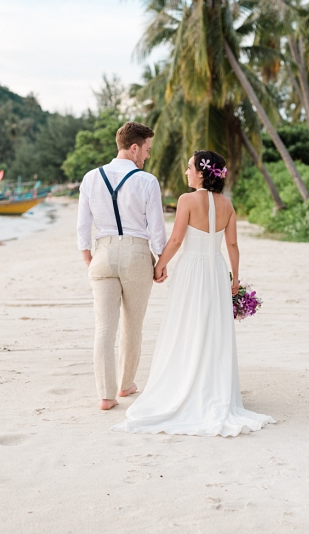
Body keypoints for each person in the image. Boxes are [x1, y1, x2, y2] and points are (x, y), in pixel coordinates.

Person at [111, 150, 275, 437]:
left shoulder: (187, 200)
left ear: (202, 172)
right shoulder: (227, 204)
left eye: (189, 168)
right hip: (215, 269)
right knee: (213, 328)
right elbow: (233, 245)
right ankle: (212, 388)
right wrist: (235, 278)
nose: (186, 172)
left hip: (191, 269)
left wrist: (159, 265)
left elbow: (176, 239)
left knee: (185, 324)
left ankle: (184, 384)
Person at [77, 122, 167, 411]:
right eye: (147, 150)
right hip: (137, 254)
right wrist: (161, 260)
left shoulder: (91, 177)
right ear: (134, 147)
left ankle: (105, 395)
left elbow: (82, 225)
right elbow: (156, 227)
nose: (148, 157)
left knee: (104, 328)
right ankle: (125, 385)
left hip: (102, 252)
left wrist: (88, 254)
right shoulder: (147, 181)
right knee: (133, 325)